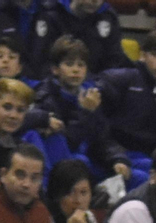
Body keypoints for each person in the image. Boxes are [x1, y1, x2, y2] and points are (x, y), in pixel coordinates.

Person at [29, 35, 130, 180]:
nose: (76, 70)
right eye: (69, 64)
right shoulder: (46, 97)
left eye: (81, 65)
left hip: (92, 158)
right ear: (55, 69)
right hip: (65, 165)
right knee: (82, 162)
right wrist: (86, 112)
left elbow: (102, 138)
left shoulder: (90, 95)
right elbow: (67, 143)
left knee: (137, 172)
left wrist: (118, 159)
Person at [96, 30, 156, 182]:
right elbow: (99, 129)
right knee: (149, 175)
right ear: (142, 55)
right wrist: (117, 157)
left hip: (152, 157)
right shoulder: (119, 81)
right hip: (116, 155)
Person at [28, 0, 127, 76]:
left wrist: (98, 85)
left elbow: (114, 60)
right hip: (55, 86)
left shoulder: (108, 17)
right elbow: (39, 61)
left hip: (96, 87)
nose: (95, 1)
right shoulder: (50, 14)